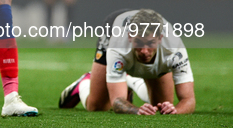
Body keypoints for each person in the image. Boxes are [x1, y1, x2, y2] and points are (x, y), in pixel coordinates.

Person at [58, 8, 196, 115]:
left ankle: (128, 81)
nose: (144, 51)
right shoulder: (117, 44)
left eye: (150, 43)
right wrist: (137, 111)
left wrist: (175, 110)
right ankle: (84, 83)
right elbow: (117, 101)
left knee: (161, 104)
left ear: (160, 38)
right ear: (130, 36)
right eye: (139, 42)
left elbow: (188, 99)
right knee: (97, 106)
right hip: (113, 26)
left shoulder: (174, 49)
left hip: (153, 50)